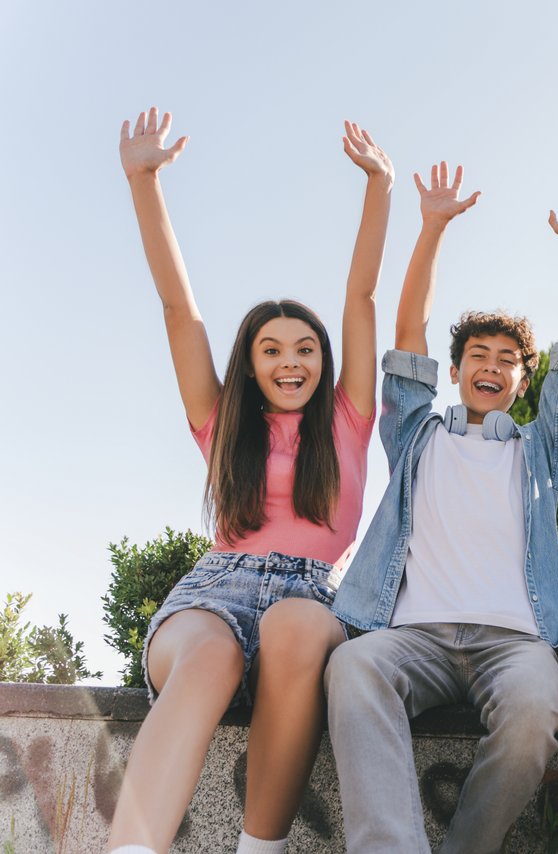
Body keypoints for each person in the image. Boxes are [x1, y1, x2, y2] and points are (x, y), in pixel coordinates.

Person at [109, 108, 391, 854]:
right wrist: (144, 182)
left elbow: (360, 298)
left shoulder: (349, 417)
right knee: (210, 656)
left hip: (310, 595)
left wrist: (380, 190)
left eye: (305, 348)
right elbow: (180, 311)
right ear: (251, 362)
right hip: (213, 593)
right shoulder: (221, 421)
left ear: (324, 361)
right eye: (271, 349)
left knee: (295, 628)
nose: (290, 361)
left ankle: (257, 849)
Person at [322, 161, 558, 853]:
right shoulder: (416, 433)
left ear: (520, 379)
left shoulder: (538, 450)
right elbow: (408, 328)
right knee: (352, 667)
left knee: (538, 710)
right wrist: (433, 228)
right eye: (479, 354)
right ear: (455, 370)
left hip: (514, 643)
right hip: (416, 637)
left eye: (509, 359)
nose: (492, 366)